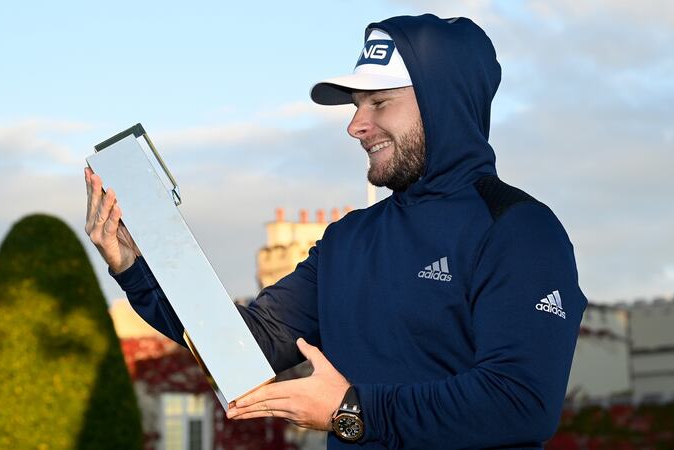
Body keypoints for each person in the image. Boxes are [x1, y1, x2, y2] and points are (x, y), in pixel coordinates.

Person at [85, 14, 587, 449]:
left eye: (379, 104)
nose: (356, 125)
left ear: (444, 105)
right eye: (355, 106)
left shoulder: (519, 230)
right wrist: (138, 266)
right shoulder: (348, 240)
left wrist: (351, 410)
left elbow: (520, 401)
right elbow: (246, 345)